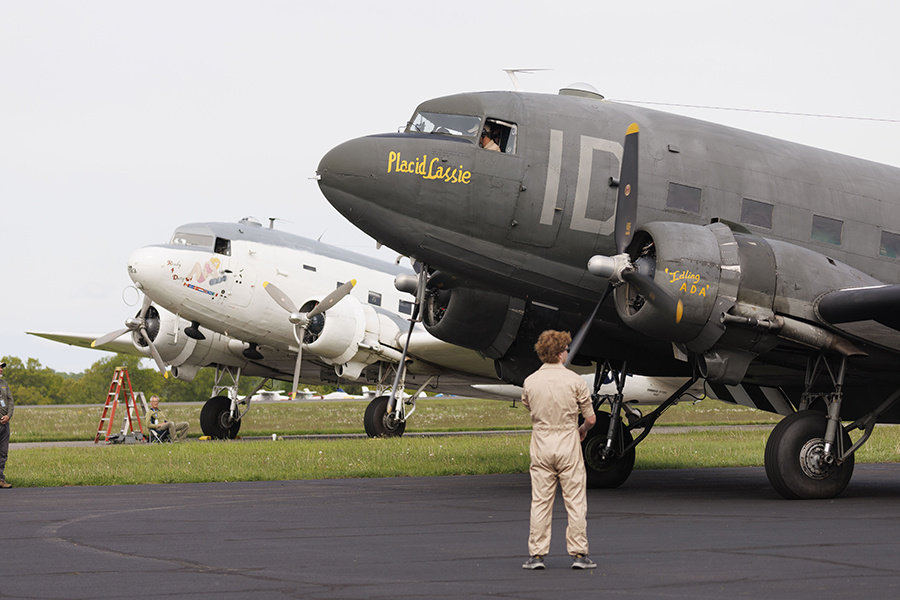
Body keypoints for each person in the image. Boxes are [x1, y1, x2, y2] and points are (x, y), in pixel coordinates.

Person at [520, 331, 597, 570]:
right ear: (561, 353)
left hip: (541, 443)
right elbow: (591, 419)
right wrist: (581, 429)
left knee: (540, 501)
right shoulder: (575, 380)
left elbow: (529, 405)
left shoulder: (530, 381)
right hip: (568, 441)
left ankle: (536, 555)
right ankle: (579, 554)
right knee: (575, 501)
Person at [0, 362, 14, 488]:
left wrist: (8, 416)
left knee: (3, 452)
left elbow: (10, 401)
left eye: (1, 367)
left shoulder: (4, 383)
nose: (1, 369)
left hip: (5, 424)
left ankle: (0, 479)